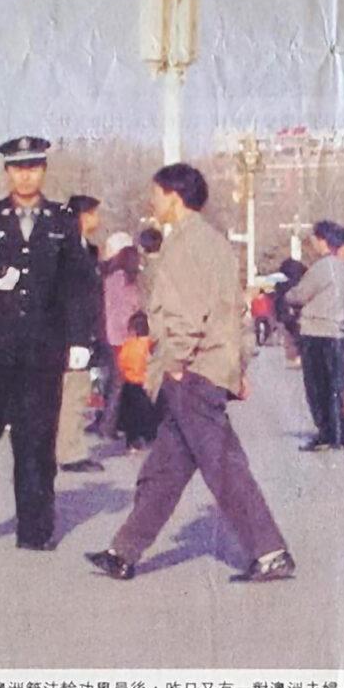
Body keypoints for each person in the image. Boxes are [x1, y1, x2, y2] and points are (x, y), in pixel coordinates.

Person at [86, 163, 294, 582]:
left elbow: (185, 315)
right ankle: (122, 552)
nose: (152, 201)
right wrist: (237, 366)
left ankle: (269, 552)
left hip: (192, 371)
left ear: (174, 196)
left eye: (156, 194)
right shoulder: (214, 243)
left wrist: (176, 363)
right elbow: (232, 310)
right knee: (165, 470)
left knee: (224, 468)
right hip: (209, 367)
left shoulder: (182, 246)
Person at [0, 136, 100, 552]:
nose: (25, 176)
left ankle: (35, 527)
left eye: (33, 167)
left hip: (41, 350)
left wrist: (80, 339)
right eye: (17, 168)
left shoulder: (62, 220)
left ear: (43, 170)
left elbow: (79, 284)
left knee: (36, 440)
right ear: (7, 172)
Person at [285, 220, 344, 451]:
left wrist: (288, 295)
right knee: (336, 386)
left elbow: (300, 295)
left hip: (316, 331)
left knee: (317, 387)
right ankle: (340, 432)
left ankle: (326, 432)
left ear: (322, 240)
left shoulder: (322, 268)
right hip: (338, 332)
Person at [55, 194, 106, 473]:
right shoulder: (68, 250)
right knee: (73, 392)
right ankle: (69, 452)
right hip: (71, 333)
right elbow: (71, 296)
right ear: (83, 216)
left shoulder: (87, 249)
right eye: (94, 213)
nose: (98, 219)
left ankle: (65, 446)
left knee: (75, 391)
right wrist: (76, 338)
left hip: (83, 331)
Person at [96, 230, 142, 440]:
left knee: (113, 382)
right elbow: (133, 305)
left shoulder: (109, 277)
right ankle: (109, 424)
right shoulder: (125, 278)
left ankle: (108, 423)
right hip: (122, 335)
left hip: (108, 334)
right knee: (120, 384)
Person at [117, 311, 159, 450]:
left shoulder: (128, 344)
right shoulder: (150, 345)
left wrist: (126, 373)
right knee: (147, 413)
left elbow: (121, 362)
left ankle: (132, 442)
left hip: (130, 384)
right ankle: (149, 437)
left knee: (131, 416)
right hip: (144, 384)